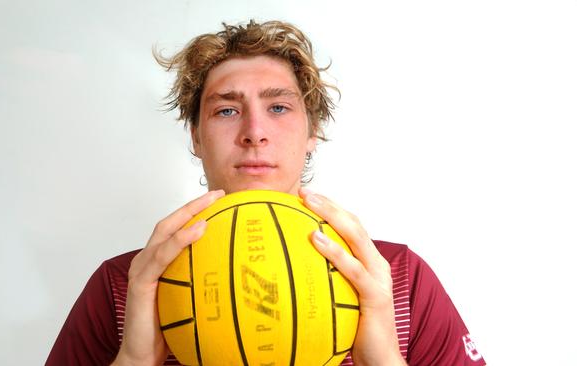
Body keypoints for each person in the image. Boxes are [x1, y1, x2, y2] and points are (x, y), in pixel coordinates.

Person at [46, 20, 485, 366]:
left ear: (313, 131)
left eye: (278, 107)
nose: (254, 132)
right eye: (226, 110)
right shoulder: (126, 285)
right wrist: (135, 361)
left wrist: (384, 360)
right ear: (196, 136)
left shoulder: (398, 278)